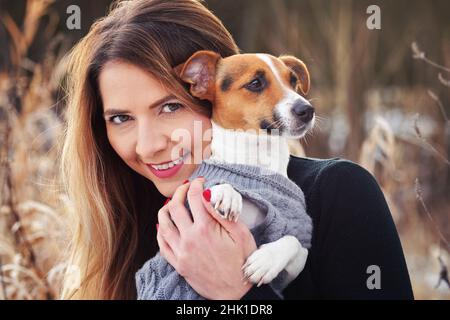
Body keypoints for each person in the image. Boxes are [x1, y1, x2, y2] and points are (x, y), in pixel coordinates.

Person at [60, 0, 414, 299]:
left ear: (215, 89)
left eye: (170, 107)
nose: (149, 145)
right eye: (121, 118)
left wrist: (240, 292)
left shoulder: (338, 195)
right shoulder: (129, 228)